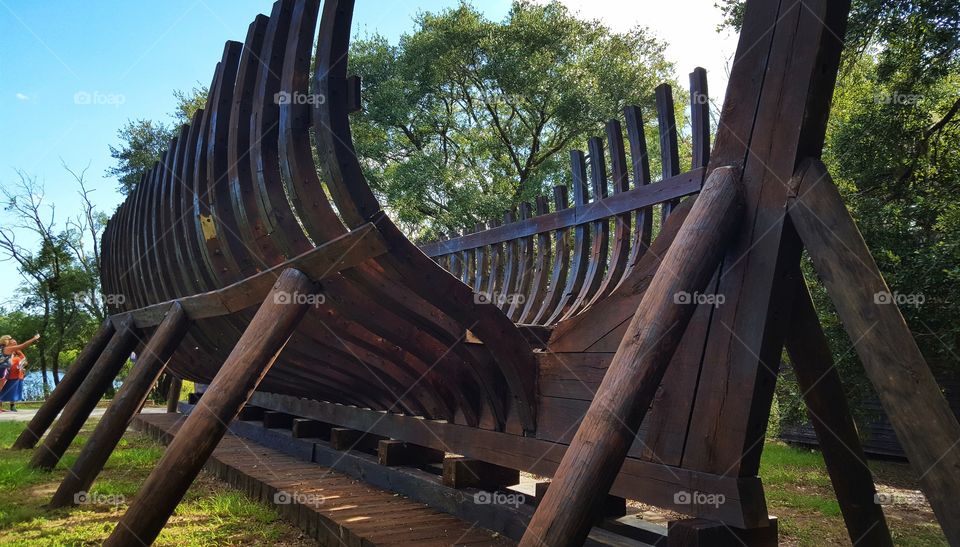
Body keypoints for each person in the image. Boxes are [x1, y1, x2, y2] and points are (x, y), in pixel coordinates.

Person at [0, 334, 40, 413]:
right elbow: (23, 345)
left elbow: (24, 360)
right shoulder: (7, 348)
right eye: (11, 339)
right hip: (2, 370)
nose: (13, 340)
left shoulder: (2, 348)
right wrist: (34, 338)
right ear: (7, 341)